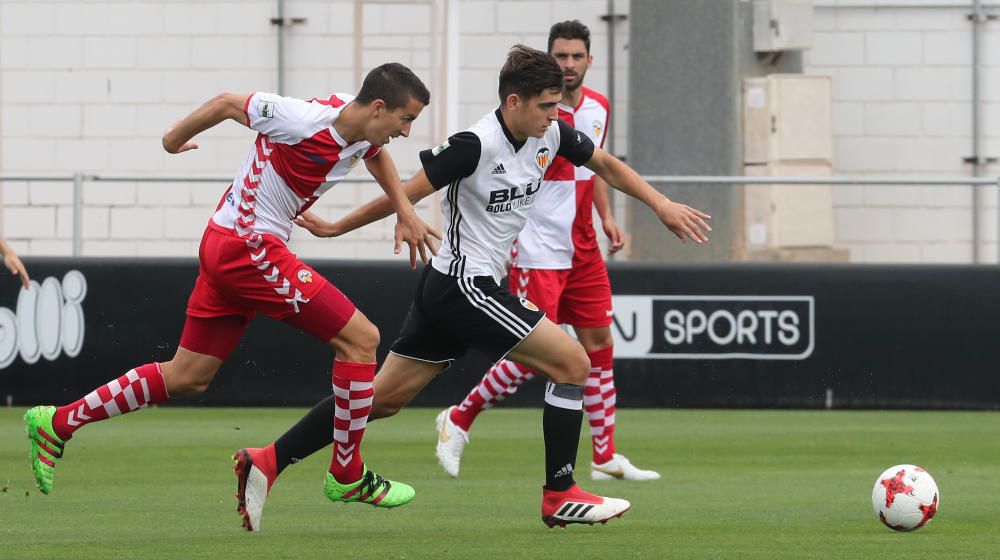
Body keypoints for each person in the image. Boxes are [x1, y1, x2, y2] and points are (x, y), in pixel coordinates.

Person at [234, 44, 711, 529]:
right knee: (572, 363)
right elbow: (409, 192)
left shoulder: (551, 136)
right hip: (465, 286)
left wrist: (661, 205)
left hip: (450, 289)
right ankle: (560, 493)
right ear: (514, 103)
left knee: (380, 400)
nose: (555, 114)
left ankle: (268, 460)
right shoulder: (474, 144)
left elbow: (606, 165)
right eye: (547, 105)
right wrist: (337, 227)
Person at [23, 64, 439, 530]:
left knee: (187, 376)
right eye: (407, 120)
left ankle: (57, 423)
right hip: (250, 246)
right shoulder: (301, 119)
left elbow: (374, 152)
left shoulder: (361, 125)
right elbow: (226, 103)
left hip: (229, 242)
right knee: (362, 339)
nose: (407, 132)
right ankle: (346, 473)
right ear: (379, 107)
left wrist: (403, 208)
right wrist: (171, 139)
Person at [435, 20, 659, 482]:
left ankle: (604, 455)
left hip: (583, 245)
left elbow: (593, 167)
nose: (569, 65)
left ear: (590, 61)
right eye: (561, 56)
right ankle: (459, 415)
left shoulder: (598, 107)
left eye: (577, 56)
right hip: (539, 247)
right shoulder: (536, 113)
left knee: (599, 344)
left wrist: (607, 217)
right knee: (536, 356)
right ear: (550, 59)